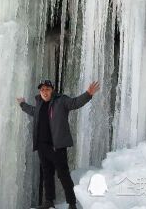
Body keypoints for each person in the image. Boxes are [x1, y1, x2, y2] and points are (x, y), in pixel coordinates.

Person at [16, 79, 100, 209]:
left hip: (57, 147)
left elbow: (75, 103)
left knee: (63, 175)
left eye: (47, 89)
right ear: (40, 91)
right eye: (42, 89)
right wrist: (22, 104)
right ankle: (49, 201)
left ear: (52, 90)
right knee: (47, 174)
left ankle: (72, 204)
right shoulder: (39, 103)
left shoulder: (61, 101)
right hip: (42, 146)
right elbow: (32, 111)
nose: (44, 92)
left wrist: (88, 94)